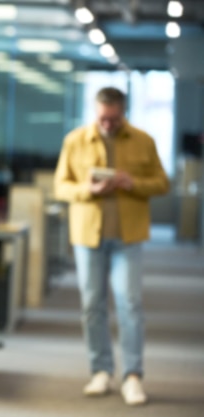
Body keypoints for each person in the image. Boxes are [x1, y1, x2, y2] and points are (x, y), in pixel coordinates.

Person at [54, 87, 170, 406]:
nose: (107, 123)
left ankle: (133, 375)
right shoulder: (75, 140)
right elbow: (60, 186)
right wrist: (87, 189)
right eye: (102, 117)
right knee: (92, 305)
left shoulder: (143, 140)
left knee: (129, 303)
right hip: (87, 236)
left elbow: (163, 182)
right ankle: (101, 370)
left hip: (127, 237)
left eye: (113, 118)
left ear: (123, 113)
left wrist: (133, 183)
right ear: (96, 111)